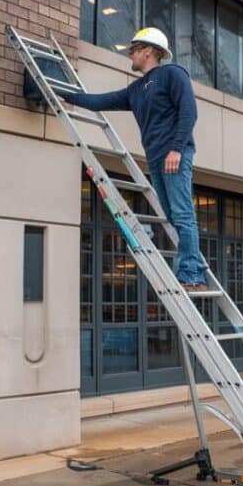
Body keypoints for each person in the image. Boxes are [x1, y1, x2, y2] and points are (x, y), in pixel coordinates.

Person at [60, 27, 207, 291]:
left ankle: (192, 274)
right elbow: (99, 101)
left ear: (149, 51)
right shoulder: (136, 89)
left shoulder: (172, 74)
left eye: (134, 50)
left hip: (175, 153)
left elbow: (189, 112)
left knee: (183, 214)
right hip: (155, 157)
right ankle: (193, 265)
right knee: (172, 213)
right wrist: (66, 95)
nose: (130, 54)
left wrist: (176, 149)